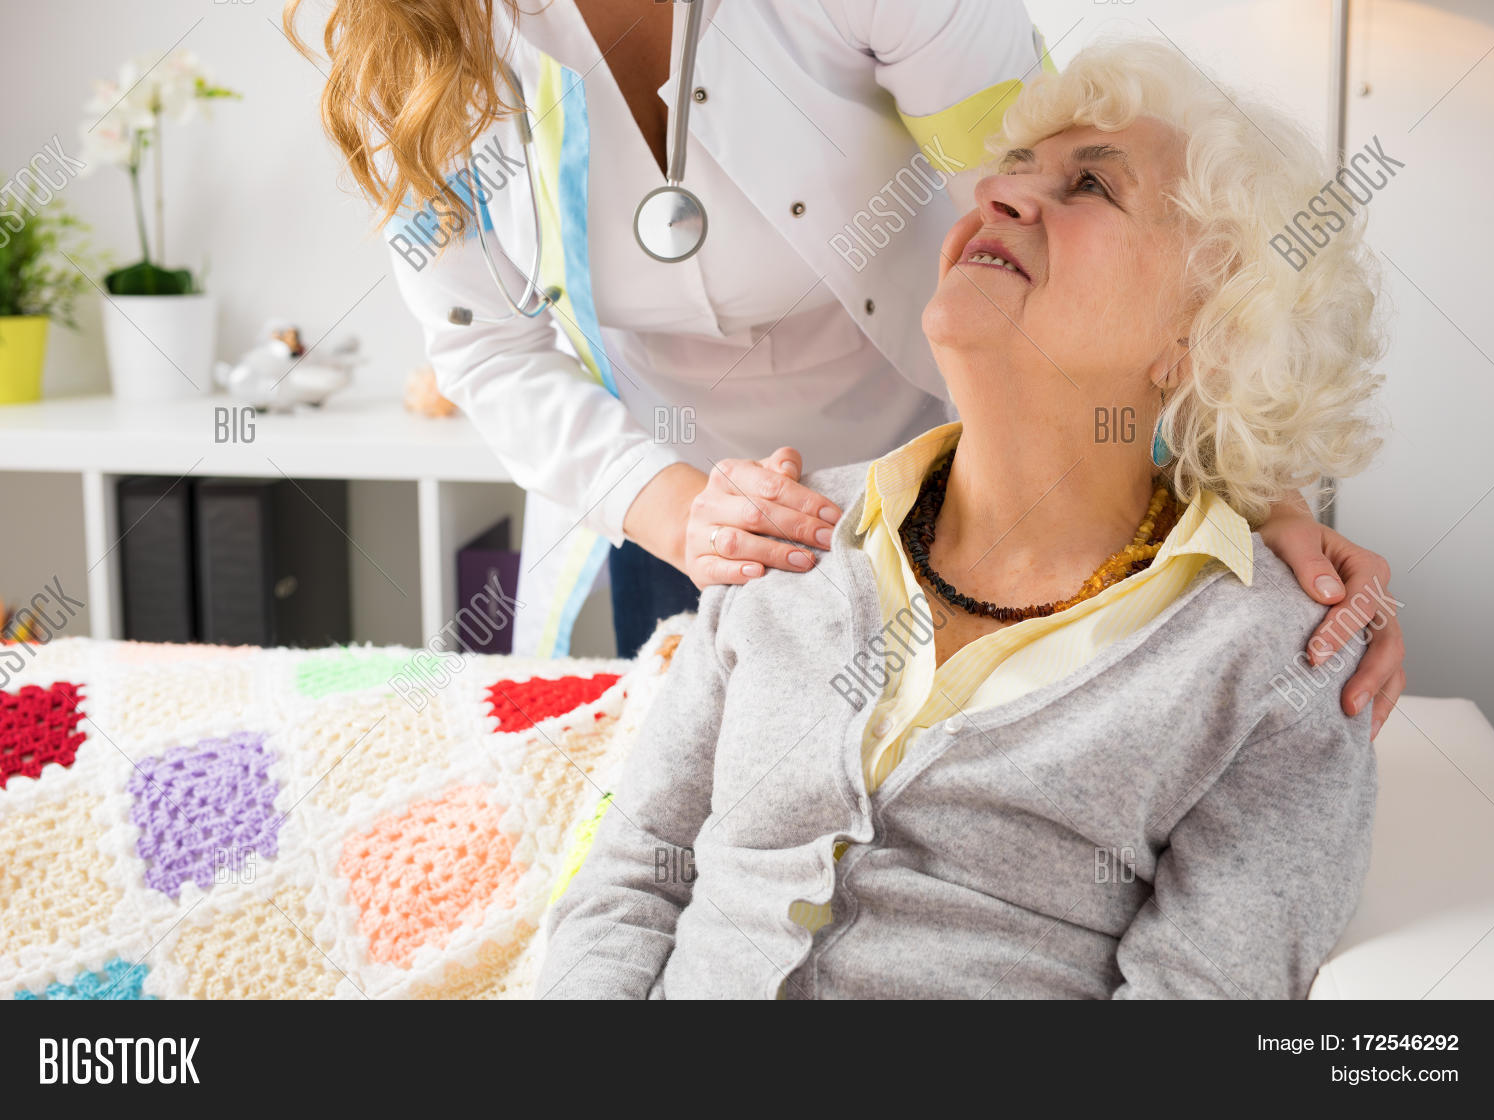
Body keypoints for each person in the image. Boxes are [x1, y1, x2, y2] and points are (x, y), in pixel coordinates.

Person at [286, 0, 1404, 738]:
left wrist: (1258, 496)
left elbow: (1082, 224)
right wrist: (683, 514)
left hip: (951, 463)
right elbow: (486, 344)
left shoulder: (1243, 658)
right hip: (683, 500)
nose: (1016, 192)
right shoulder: (408, 53)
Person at [536, 38, 1385, 998]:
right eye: (1011, 167)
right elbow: (636, 877)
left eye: (1092, 186)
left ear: (1204, 334)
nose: (1001, 193)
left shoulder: (1278, 659)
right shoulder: (790, 532)